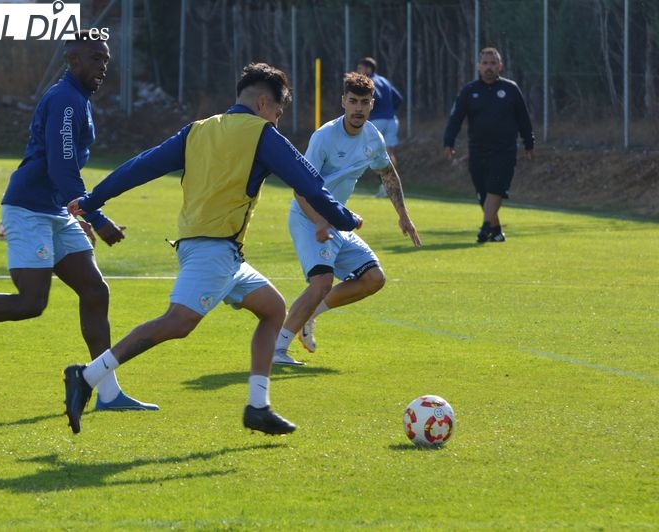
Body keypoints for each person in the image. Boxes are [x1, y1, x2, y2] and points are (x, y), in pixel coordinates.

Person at [62, 62, 364, 435]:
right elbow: (310, 182)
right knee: (178, 322)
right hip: (214, 251)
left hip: (214, 250)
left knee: (272, 310)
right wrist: (345, 218)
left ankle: (258, 406)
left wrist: (95, 198)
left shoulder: (198, 130)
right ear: (263, 103)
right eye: (278, 112)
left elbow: (141, 166)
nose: (277, 120)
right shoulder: (263, 134)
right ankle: (88, 375)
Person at [0, 30, 158, 412]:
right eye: (96, 59)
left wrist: (75, 212)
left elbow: (63, 173)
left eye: (105, 58)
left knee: (95, 291)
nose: (104, 66)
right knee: (31, 303)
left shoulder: (78, 98)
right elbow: (62, 168)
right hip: (30, 209)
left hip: (54, 209)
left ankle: (107, 392)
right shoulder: (66, 101)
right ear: (73, 61)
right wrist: (95, 216)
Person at [272, 72, 421, 366]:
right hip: (307, 217)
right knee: (321, 282)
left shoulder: (372, 138)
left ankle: (310, 315)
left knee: (373, 278)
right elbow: (300, 187)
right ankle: (277, 350)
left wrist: (403, 216)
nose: (358, 108)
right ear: (343, 102)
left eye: (364, 103)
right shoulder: (324, 137)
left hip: (336, 219)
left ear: (372, 105)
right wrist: (319, 221)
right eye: (352, 101)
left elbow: (387, 174)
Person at [443, 47, 535, 243]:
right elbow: (456, 118)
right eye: (485, 63)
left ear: (500, 66)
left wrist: (529, 142)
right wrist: (448, 141)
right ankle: (496, 230)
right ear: (478, 66)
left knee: (496, 188)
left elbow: (523, 119)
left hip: (505, 150)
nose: (489, 67)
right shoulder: (469, 91)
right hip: (477, 150)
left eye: (493, 63)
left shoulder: (511, 89)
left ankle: (485, 228)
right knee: (483, 193)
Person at [356, 56, 403, 197]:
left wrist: (370, 109)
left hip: (378, 121)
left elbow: (378, 97)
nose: (358, 71)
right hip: (392, 120)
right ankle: (391, 186)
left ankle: (384, 185)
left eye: (360, 68)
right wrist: (389, 110)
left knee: (371, 153)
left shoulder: (370, 82)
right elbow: (398, 98)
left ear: (369, 69)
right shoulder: (384, 80)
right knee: (389, 154)